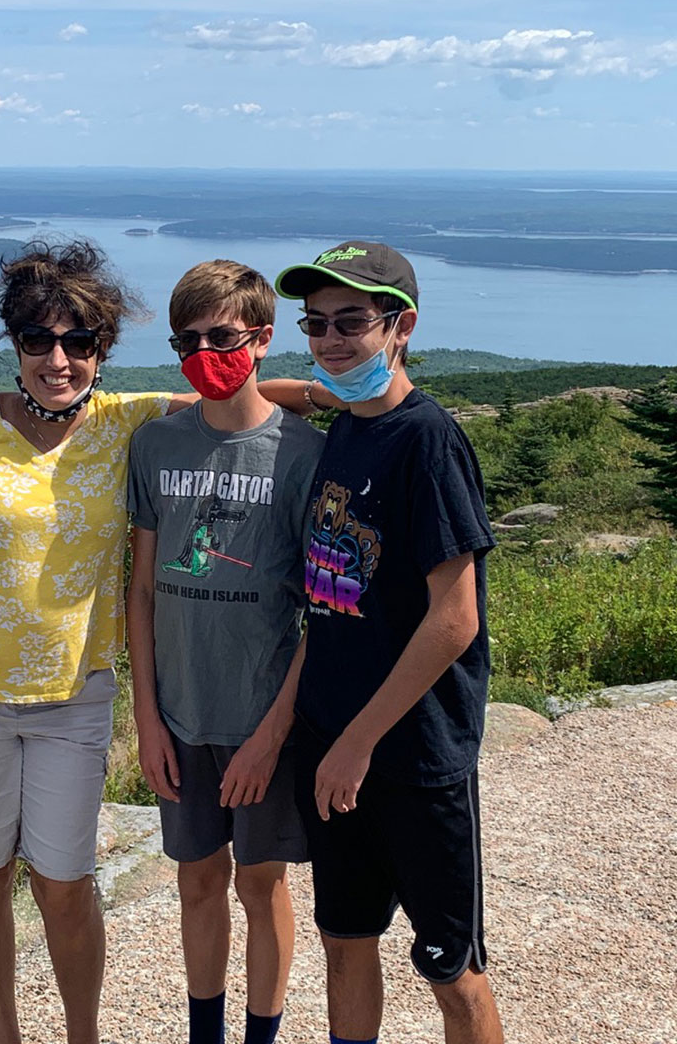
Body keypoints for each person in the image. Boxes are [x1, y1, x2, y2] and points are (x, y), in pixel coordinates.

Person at [0, 239, 328, 1044]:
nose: (57, 359)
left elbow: (227, 398)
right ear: (13, 343)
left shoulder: (127, 423)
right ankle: (3, 1036)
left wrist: (336, 392)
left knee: (66, 883)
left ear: (102, 349)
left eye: (79, 341)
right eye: (37, 340)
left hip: (72, 697)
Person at [273, 242, 504, 1044]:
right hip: (334, 741)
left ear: (400, 326)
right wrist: (195, 401)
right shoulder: (344, 422)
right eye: (315, 324)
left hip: (409, 756)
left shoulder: (427, 441)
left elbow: (455, 618)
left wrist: (357, 744)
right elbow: (288, 390)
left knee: (451, 969)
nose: (332, 340)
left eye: (352, 323)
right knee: (345, 942)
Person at [127, 260, 325, 1044]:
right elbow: (141, 592)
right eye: (188, 340)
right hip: (179, 714)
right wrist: (145, 720)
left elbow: (325, 615)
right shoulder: (154, 446)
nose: (204, 351)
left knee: (262, 884)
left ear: (263, 338)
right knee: (197, 880)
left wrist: (273, 734)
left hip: (261, 717)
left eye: (222, 336)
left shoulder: (304, 456)